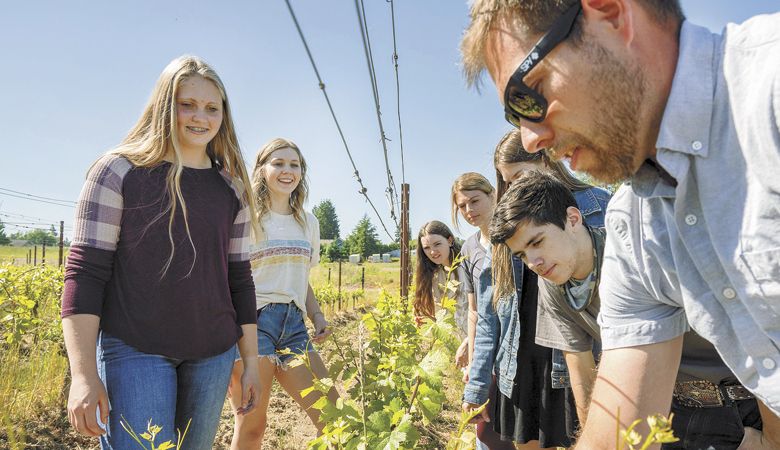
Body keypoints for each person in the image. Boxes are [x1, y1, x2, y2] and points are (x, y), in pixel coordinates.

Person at [460, 1, 780, 447]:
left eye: (527, 95)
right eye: (514, 117)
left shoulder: (770, 94)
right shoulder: (635, 223)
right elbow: (622, 417)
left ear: (611, 14)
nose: (531, 138)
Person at [61, 55, 261, 449]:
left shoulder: (232, 189)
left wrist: (250, 362)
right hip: (136, 348)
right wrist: (83, 375)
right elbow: (85, 274)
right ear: (164, 105)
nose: (199, 117)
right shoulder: (118, 171)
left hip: (213, 355)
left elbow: (239, 278)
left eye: (211, 108)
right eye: (187, 104)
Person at [492, 170, 764, 449]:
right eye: (522, 255)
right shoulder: (552, 286)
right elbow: (583, 377)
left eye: (537, 242)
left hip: (747, 403)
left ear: (573, 219)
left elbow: (761, 327)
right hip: (671, 411)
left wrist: (770, 434)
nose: (533, 262)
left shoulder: (639, 249)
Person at [462, 130, 611, 449]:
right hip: (523, 363)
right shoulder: (509, 225)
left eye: (519, 176)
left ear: (546, 159)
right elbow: (489, 314)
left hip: (584, 357)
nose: (514, 188)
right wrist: (477, 384)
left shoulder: (598, 205)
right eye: (508, 182)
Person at [229, 138, 337, 449]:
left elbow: (301, 278)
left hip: (294, 327)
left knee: (333, 417)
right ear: (261, 170)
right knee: (252, 427)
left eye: (294, 164)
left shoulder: (308, 222)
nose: (287, 170)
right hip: (252, 325)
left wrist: (316, 314)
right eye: (278, 163)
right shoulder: (245, 216)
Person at [451, 172, 513, 450]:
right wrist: (476, 367)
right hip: (489, 354)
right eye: (462, 206)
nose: (468, 211)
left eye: (474, 201)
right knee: (487, 436)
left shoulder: (514, 238)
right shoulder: (469, 249)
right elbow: (475, 312)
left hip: (516, 350)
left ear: (493, 195)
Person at [414, 220, 473, 357]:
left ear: (450, 240)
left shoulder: (467, 268)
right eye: (427, 248)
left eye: (437, 244)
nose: (433, 252)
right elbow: (439, 315)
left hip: (474, 343)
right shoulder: (433, 276)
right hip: (452, 348)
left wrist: (470, 341)